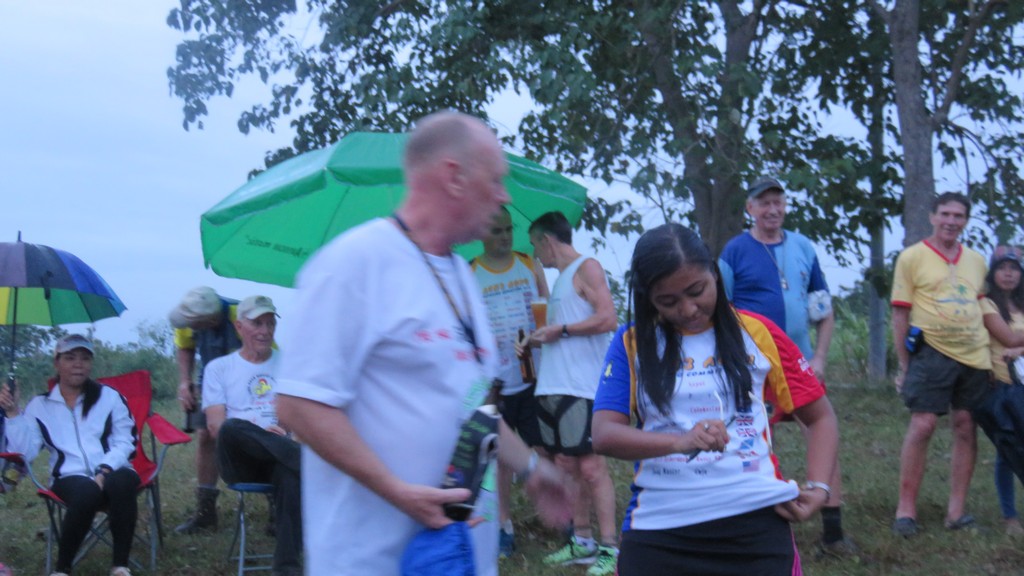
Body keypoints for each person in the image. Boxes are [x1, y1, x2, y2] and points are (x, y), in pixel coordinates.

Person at [275, 110, 572, 576]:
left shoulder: (462, 276)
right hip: (372, 559)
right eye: (495, 180)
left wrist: (533, 469)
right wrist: (397, 491)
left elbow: (472, 406)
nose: (505, 196)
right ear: (454, 177)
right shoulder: (354, 263)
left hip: (458, 557)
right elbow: (299, 405)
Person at [592, 223, 840, 575]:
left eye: (697, 291)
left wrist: (819, 486)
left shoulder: (757, 332)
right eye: (668, 301)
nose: (689, 309)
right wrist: (680, 441)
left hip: (755, 524)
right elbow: (604, 435)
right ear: (648, 298)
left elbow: (821, 417)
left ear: (715, 273)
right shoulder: (631, 344)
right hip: (660, 527)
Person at [718, 176, 853, 557]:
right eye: (764, 203)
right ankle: (758, 524)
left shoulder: (803, 247)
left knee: (821, 431)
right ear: (750, 208)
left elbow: (823, 309)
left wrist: (819, 356)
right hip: (753, 365)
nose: (772, 209)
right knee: (755, 441)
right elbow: (719, 309)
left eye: (778, 202)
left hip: (800, 362)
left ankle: (833, 530)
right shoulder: (735, 251)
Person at [524, 210, 619, 576]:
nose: (536, 254)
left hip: (581, 387)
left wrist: (560, 330)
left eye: (535, 246)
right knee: (567, 466)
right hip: (553, 385)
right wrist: (541, 337)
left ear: (547, 240)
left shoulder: (587, 267)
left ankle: (610, 547)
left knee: (592, 467)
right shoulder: (560, 279)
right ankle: (582, 541)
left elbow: (608, 318)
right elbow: (566, 330)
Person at [890, 192, 991, 537]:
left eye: (958, 216)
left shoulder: (976, 261)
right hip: (931, 351)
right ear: (933, 217)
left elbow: (984, 307)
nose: (951, 221)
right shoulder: (912, 257)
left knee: (965, 425)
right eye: (945, 214)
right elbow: (900, 313)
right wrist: (904, 365)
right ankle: (906, 510)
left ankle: (956, 512)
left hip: (974, 354)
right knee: (923, 424)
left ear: (965, 221)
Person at [0, 334, 139, 576]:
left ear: (91, 364)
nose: (78, 364)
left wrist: (104, 470)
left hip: (114, 469)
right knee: (87, 491)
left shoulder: (109, 397)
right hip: (68, 476)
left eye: (84, 358)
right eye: (70, 358)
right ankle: (62, 569)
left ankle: (120, 566)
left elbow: (126, 441)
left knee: (123, 481)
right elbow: (25, 452)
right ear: (57, 363)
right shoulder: (40, 406)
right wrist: (12, 413)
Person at [470, 205, 550, 557]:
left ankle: (554, 515)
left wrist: (540, 336)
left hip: (533, 375)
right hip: (494, 383)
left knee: (544, 449)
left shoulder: (528, 264)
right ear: (481, 234)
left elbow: (548, 312)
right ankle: (504, 525)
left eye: (508, 230)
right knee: (499, 457)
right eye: (496, 231)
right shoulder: (471, 272)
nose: (504, 237)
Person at [201, 295, 301, 576]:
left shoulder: (289, 364)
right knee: (232, 428)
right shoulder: (219, 368)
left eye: (270, 324)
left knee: (288, 473)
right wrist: (262, 434)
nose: (265, 331)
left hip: (280, 456)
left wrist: (285, 428)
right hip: (240, 458)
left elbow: (299, 416)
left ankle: (287, 568)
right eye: (257, 323)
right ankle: (310, 464)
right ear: (239, 327)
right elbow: (216, 427)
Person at [168, 286, 241, 534]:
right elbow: (185, 346)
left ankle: (276, 505)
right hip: (209, 378)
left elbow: (267, 354)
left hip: (248, 378)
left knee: (260, 435)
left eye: (196, 324)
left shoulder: (241, 314)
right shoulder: (189, 315)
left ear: (211, 320)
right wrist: (184, 382)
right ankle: (205, 512)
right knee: (205, 435)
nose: (191, 327)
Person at [978, 245, 1024, 535]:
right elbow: (1006, 337)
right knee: (1007, 450)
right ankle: (1010, 517)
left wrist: (1019, 349)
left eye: (1014, 268)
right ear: (993, 273)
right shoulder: (987, 305)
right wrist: (1016, 346)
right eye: (1002, 268)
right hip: (1002, 385)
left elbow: (1015, 344)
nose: (1008, 274)